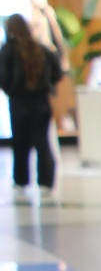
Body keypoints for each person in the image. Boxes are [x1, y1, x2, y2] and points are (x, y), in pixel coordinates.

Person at [0, 13, 64, 202]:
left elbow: (3, 76)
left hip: (19, 102)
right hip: (41, 101)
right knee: (42, 142)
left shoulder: (8, 50)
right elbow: (57, 72)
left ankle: (21, 180)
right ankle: (46, 182)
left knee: (20, 142)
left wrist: (11, 90)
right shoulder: (41, 49)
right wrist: (48, 86)